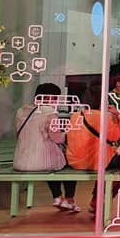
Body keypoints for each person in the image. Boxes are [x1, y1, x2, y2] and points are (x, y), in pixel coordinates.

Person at [13, 83, 78, 212]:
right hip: (41, 162)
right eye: (56, 98)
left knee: (53, 160)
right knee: (70, 162)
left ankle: (57, 197)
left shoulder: (21, 111)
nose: (56, 102)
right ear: (51, 98)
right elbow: (57, 138)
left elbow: (17, 133)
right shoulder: (50, 113)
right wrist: (68, 134)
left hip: (20, 161)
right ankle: (69, 199)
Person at [65, 86, 120, 213]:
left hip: (75, 161)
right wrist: (118, 116)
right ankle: (98, 200)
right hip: (97, 162)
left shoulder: (75, 116)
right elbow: (116, 136)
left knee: (104, 162)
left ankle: (94, 200)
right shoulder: (103, 117)